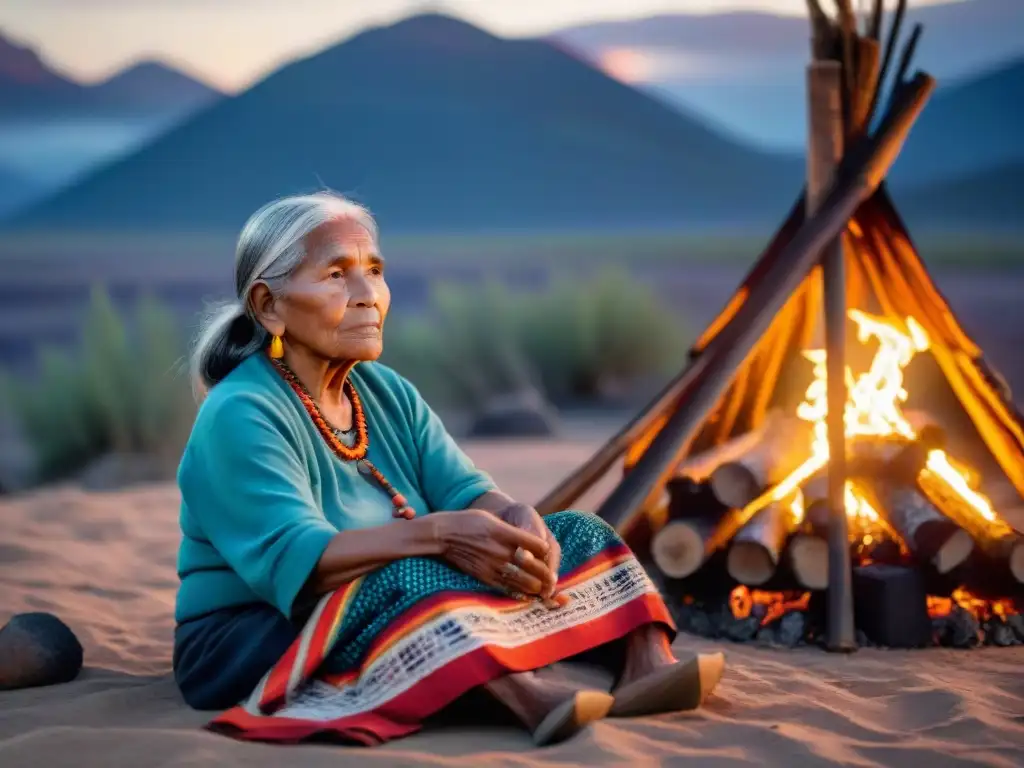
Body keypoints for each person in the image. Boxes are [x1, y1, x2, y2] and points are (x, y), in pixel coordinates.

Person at [172, 191, 725, 747]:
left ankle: (646, 661)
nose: (368, 296)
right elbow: (302, 563)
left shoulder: (386, 393)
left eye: (374, 270)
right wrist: (440, 536)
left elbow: (466, 493)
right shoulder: (241, 413)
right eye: (337, 275)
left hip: (390, 594)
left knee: (581, 532)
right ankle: (522, 693)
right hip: (249, 635)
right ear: (269, 306)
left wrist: (514, 519)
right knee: (413, 582)